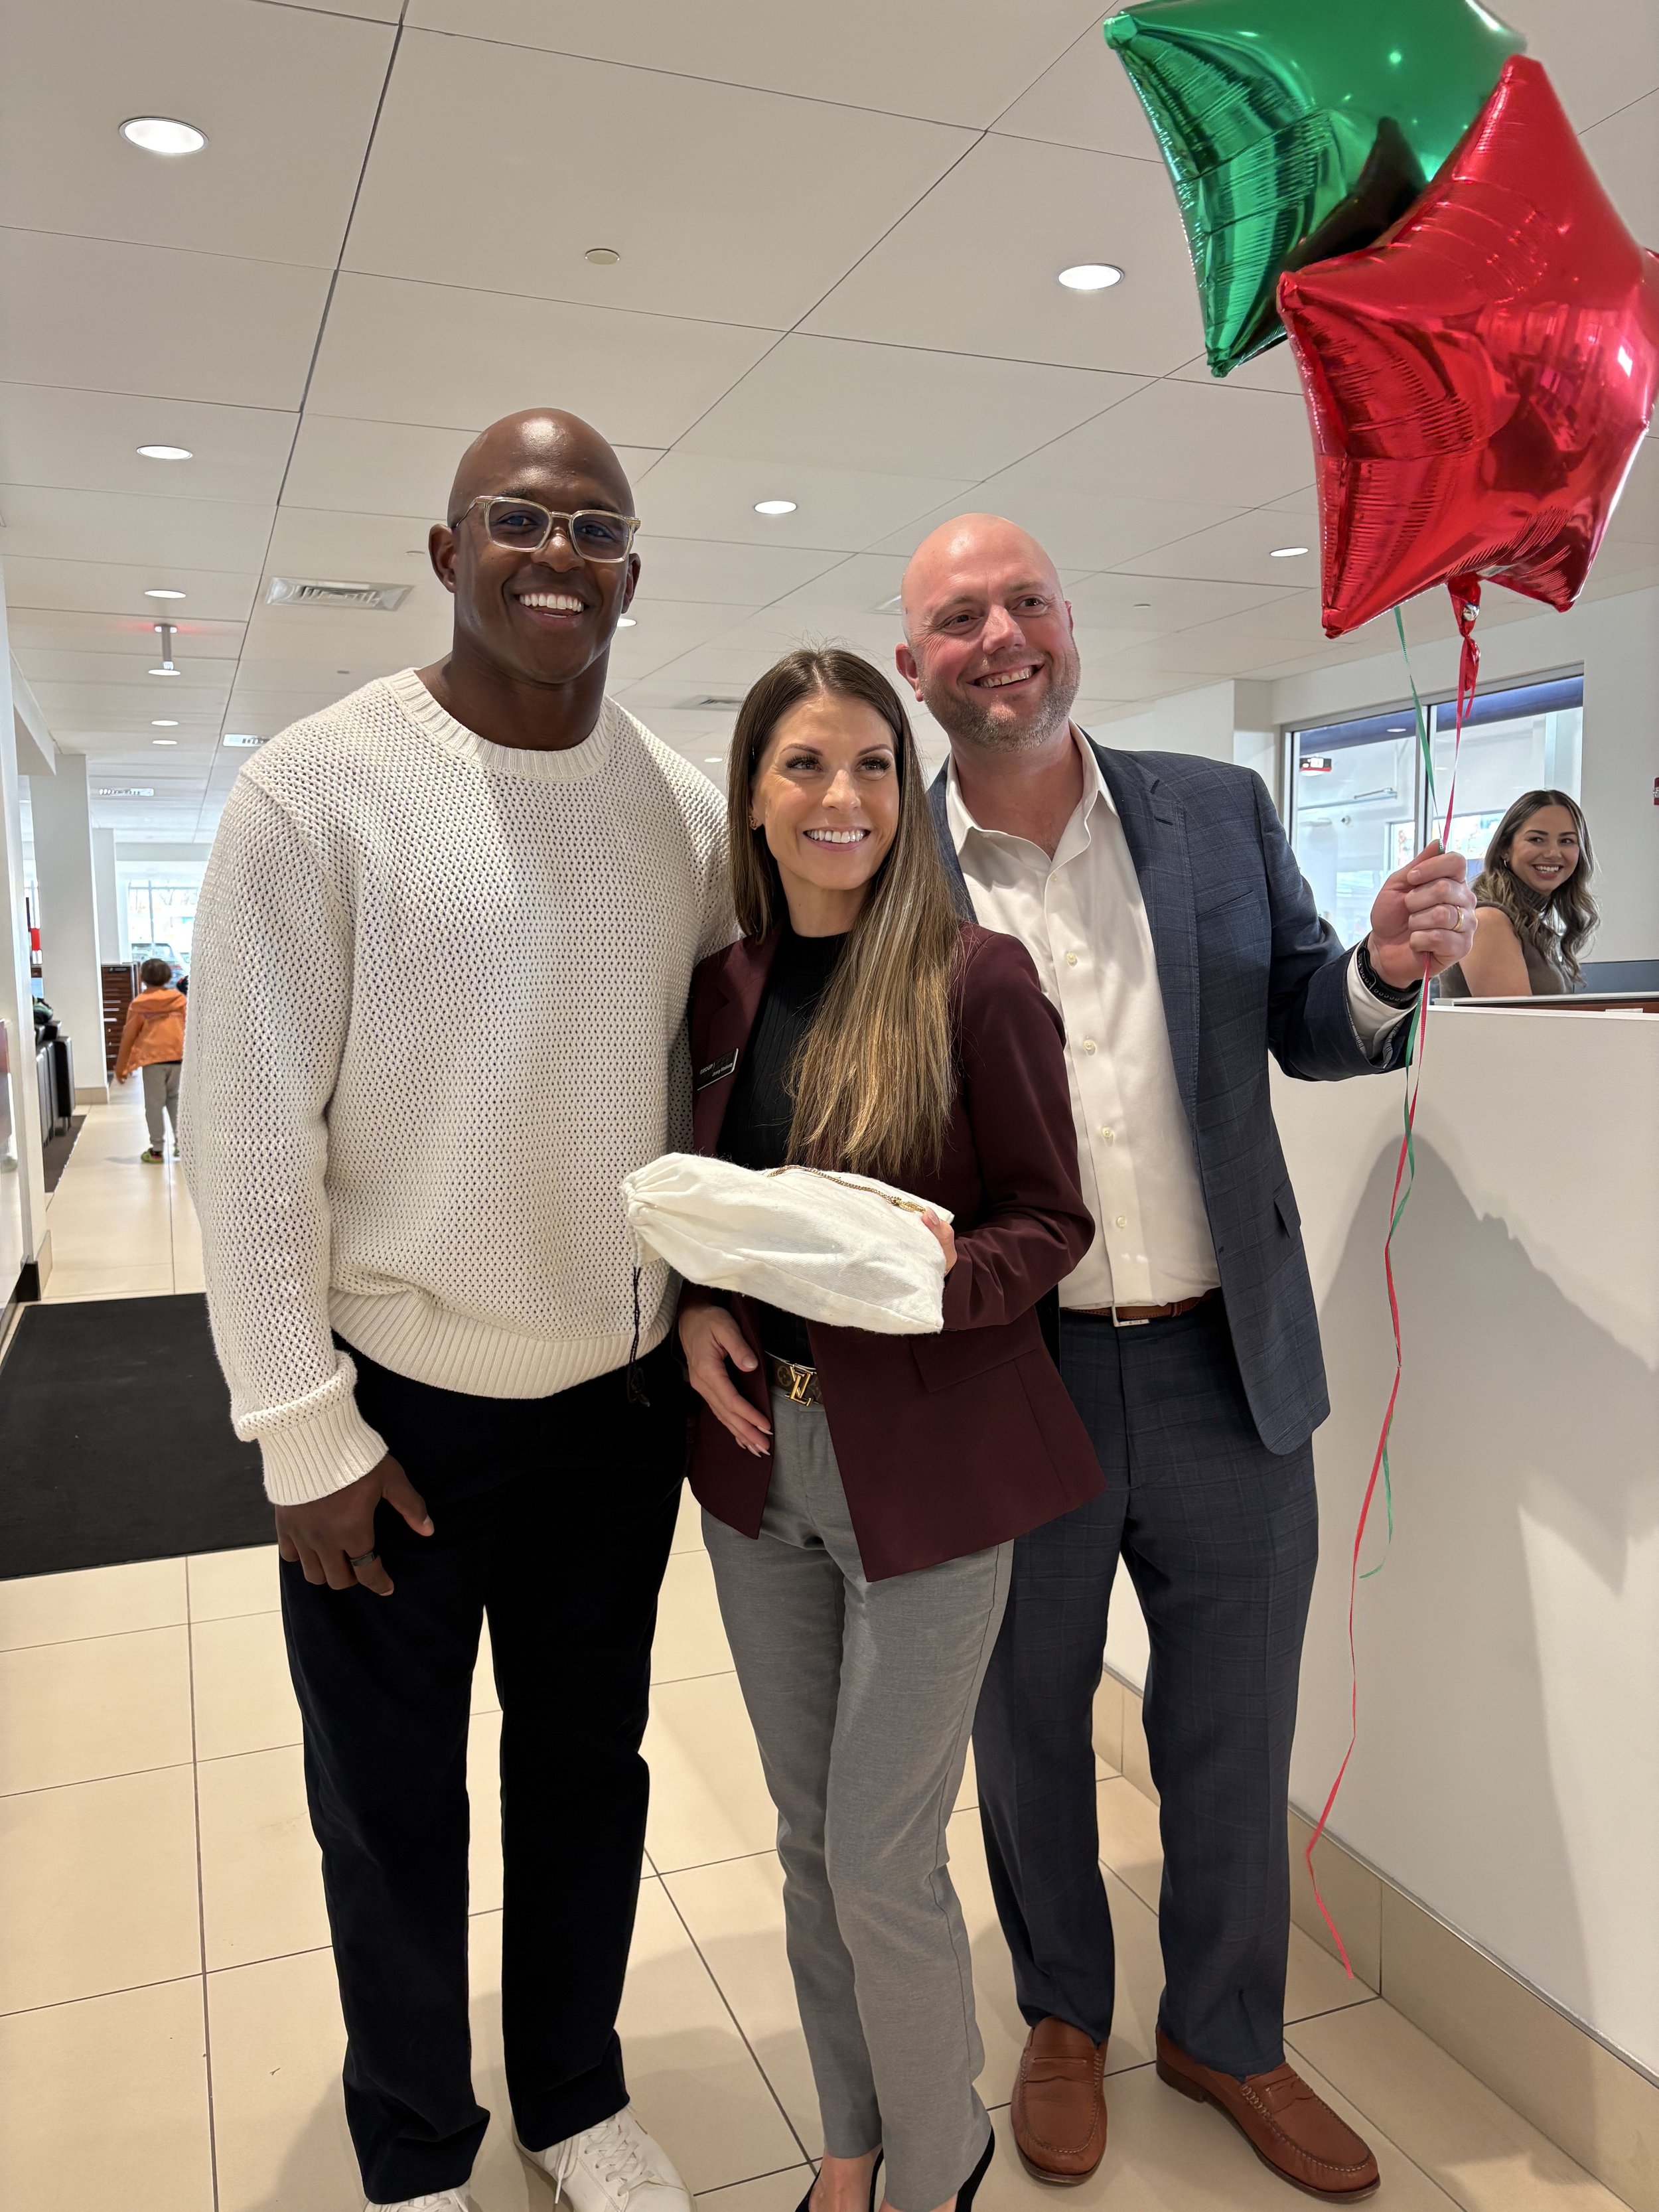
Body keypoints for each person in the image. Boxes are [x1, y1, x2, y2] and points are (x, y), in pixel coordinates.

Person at [181, 410, 729, 2212]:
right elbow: (253, 1143)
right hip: (389, 1417)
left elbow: (708, 1085)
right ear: (445, 551)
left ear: (633, 574)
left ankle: (571, 2095)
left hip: (615, 1403)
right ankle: (417, 2146)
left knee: (589, 1777)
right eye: (519, 517)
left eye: (596, 527)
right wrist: (298, 1429)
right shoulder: (311, 791)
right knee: (390, 1808)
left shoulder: (680, 811)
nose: (558, 551)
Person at [897, 516, 1478, 2203]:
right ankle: (1064, 2014)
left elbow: (1304, 1012)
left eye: (1026, 601)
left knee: (1235, 1724)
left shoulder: (1214, 810)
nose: (1000, 634)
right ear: (916, 658)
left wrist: (1377, 969)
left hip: (1231, 1361)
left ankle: (1227, 2029)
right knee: (1026, 1716)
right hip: (1017, 1378)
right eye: (958, 617)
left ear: (1072, 620)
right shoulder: (894, 872)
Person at [679, 648, 1102, 2212]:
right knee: (808, 1844)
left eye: (868, 763)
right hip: (753, 1465)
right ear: (753, 797)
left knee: (880, 1852)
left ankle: (940, 2157)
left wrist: (927, 1283)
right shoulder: (721, 991)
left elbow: (1051, 1220)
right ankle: (848, 2142)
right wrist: (687, 1307)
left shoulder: (974, 980)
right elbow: (707, 1211)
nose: (840, 796)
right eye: (802, 765)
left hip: (928, 1472)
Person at [1437, 789, 1597, 998]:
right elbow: (1516, 1028)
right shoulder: (1488, 921)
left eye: (1566, 841)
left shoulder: (1528, 924)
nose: (1553, 853)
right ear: (1505, 848)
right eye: (1537, 839)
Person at [113, 954, 186, 1162]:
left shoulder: (140, 1004)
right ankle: (182, 1146)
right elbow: (190, 1029)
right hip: (178, 1058)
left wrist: (122, 1067)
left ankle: (156, 1150)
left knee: (154, 1104)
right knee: (176, 1101)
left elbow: (129, 1035)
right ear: (168, 976)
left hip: (154, 1061)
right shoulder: (180, 1000)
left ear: (143, 979)